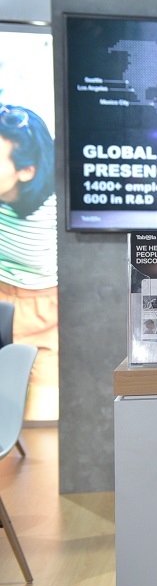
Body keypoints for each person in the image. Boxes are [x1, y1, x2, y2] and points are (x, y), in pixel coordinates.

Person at [0, 104, 58, 394]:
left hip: (45, 314)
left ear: (26, 171)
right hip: (2, 297)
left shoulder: (53, 208)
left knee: (40, 413)